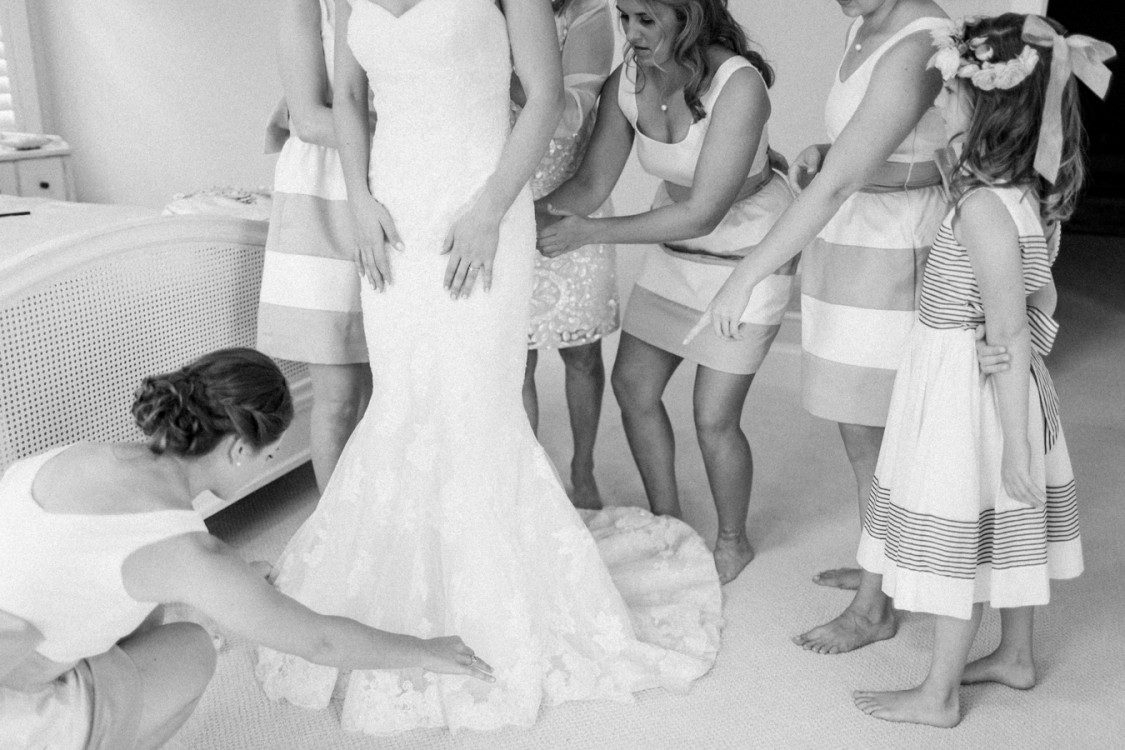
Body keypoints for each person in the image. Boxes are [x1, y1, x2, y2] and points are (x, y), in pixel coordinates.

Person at [254, 0, 722, 735]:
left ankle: (495, 601)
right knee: (404, 396)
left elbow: (541, 96)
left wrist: (491, 208)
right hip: (391, 210)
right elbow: (346, 97)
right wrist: (361, 198)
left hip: (481, 202)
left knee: (476, 401)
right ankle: (398, 596)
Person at [0, 349, 491, 750]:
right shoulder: (186, 552)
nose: (267, 461)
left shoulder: (77, 455)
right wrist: (427, 651)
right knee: (194, 647)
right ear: (238, 449)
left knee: (154, 616)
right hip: (14, 716)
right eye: (270, 453)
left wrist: (230, 580)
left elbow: (104, 566)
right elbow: (321, 641)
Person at [851, 13, 1111, 726]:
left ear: (986, 104)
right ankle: (1015, 656)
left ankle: (936, 694)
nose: (934, 103)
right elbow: (1036, 297)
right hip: (991, 377)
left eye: (947, 93)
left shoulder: (982, 210)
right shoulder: (1024, 189)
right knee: (1007, 527)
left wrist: (1016, 443)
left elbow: (1005, 326)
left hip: (969, 393)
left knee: (957, 529)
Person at [687, 0, 951, 641]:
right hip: (849, 246)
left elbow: (839, 185)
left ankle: (876, 604)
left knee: (886, 440)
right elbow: (884, 145)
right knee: (860, 430)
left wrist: (747, 273)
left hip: (892, 258)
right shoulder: (866, 21)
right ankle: (880, 567)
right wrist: (829, 149)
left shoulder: (921, 42)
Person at [537, 0, 794, 584]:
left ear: (690, 17)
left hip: (747, 260)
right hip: (676, 255)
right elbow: (591, 182)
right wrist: (508, 220)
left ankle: (733, 539)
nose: (630, 33)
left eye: (647, 20)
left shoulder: (740, 85)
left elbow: (703, 213)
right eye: (625, 17)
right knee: (633, 386)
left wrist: (589, 233)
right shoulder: (625, 80)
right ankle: (668, 522)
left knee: (713, 417)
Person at [256, 0, 374, 493]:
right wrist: (423, 140)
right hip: (324, 197)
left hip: (394, 188)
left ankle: (380, 511)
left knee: (386, 384)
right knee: (339, 391)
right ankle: (335, 530)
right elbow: (305, 117)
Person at [518, 0, 619, 511]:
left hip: (573, 202)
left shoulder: (589, 13)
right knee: (515, 359)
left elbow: (572, 117)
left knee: (582, 353)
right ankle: (531, 479)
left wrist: (505, 70)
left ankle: (584, 467)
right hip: (503, 207)